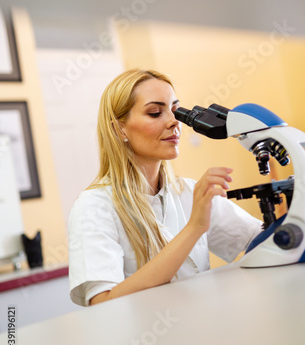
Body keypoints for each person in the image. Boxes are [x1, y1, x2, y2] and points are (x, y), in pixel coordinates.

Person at [68, 68, 262, 306]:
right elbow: (102, 304)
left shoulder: (190, 192)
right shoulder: (94, 207)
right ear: (119, 129)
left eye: (174, 110)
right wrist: (195, 227)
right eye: (154, 113)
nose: (173, 122)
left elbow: (259, 240)